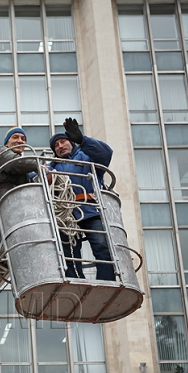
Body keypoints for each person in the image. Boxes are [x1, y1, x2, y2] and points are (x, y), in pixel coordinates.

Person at [48, 118, 115, 281]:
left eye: (63, 142)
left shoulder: (87, 156)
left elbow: (106, 153)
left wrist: (82, 139)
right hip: (66, 215)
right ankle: (76, 281)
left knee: (102, 246)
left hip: (91, 209)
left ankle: (106, 282)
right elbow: (35, 177)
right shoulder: (53, 166)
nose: (60, 146)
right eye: (56, 146)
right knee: (69, 252)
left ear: (71, 142)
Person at [0, 127, 39, 200]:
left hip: (19, 202)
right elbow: (13, 163)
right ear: (7, 143)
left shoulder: (25, 168)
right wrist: (36, 165)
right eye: (15, 137)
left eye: (23, 139)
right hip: (2, 202)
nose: (20, 141)